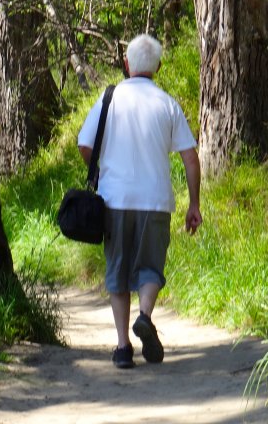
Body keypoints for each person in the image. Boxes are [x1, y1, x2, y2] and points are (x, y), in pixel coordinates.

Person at [77, 33, 202, 369]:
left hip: (114, 198)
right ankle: (144, 315)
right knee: (150, 267)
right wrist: (194, 204)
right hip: (156, 201)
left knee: (117, 270)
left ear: (127, 63)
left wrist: (100, 172)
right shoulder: (168, 103)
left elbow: (84, 145)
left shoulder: (108, 99)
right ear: (158, 66)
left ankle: (121, 347)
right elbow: (191, 158)